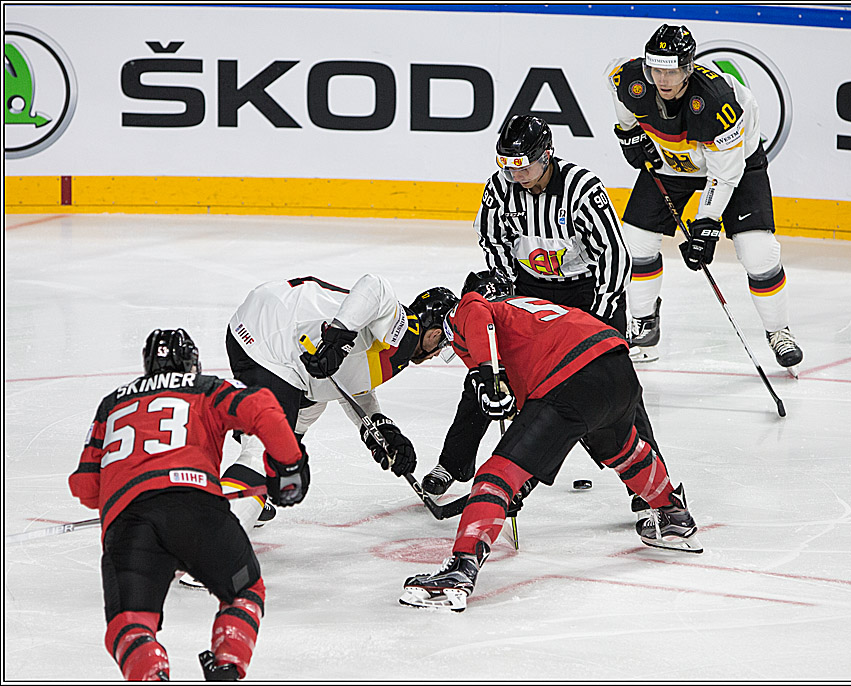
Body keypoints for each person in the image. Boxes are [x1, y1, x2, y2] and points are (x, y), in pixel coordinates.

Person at [399, 273, 703, 612]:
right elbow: (538, 417)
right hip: (615, 364)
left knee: (496, 474)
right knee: (625, 450)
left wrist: (488, 374)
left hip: (571, 376)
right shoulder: (524, 310)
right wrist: (523, 478)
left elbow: (475, 313)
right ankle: (673, 514)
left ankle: (459, 572)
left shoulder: (466, 311)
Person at [421, 116, 660, 520]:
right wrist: (508, 298)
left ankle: (646, 485)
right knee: (489, 373)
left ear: (546, 155)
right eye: (506, 164)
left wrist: (598, 319)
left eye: (523, 165)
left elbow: (614, 256)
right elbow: (495, 242)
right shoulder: (500, 189)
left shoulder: (582, 189)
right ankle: (453, 463)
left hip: (588, 294)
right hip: (533, 291)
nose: (514, 173)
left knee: (613, 389)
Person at [68, 329, 306, 681]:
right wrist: (289, 467)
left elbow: (87, 489)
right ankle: (227, 665)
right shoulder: (205, 388)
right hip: (196, 509)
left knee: (130, 626)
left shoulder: (112, 403)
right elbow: (263, 408)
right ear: (193, 362)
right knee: (244, 592)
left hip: (128, 525)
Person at [607, 24, 803, 369]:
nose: (662, 79)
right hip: (671, 161)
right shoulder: (631, 80)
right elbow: (617, 88)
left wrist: (707, 223)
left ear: (688, 68)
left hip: (736, 163)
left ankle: (779, 331)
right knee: (636, 243)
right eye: (656, 70)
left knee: (757, 252)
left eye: (671, 71)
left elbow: (724, 174)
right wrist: (628, 133)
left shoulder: (717, 101)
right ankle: (644, 326)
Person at [216, 273, 459, 539]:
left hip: (279, 339)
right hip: (271, 339)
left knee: (309, 409)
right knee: (265, 451)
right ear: (435, 333)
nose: (438, 352)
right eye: (443, 344)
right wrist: (337, 340)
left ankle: (250, 496)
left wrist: (378, 426)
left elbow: (348, 379)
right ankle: (214, 548)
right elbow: (375, 286)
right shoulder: (405, 328)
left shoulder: (397, 349)